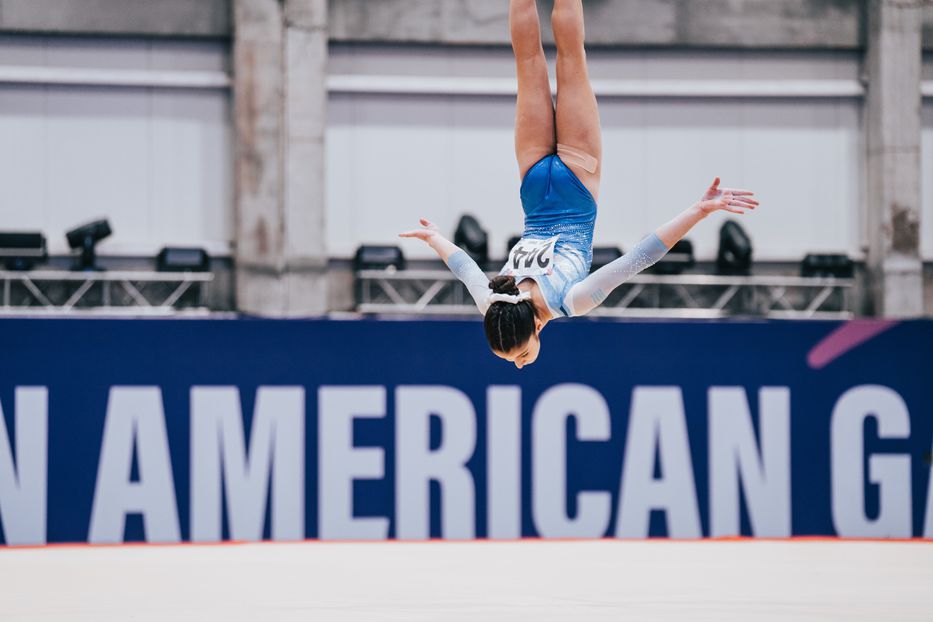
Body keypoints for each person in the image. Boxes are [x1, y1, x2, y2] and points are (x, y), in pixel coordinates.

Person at [399, 0, 759, 369]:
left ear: (536, 329)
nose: (520, 364)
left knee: (571, 58)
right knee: (527, 62)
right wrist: (434, 239)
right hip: (535, 184)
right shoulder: (494, 300)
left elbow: (640, 258)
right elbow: (463, 267)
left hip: (577, 179)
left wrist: (698, 212)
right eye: (517, 357)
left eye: (518, 355)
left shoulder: (570, 301)